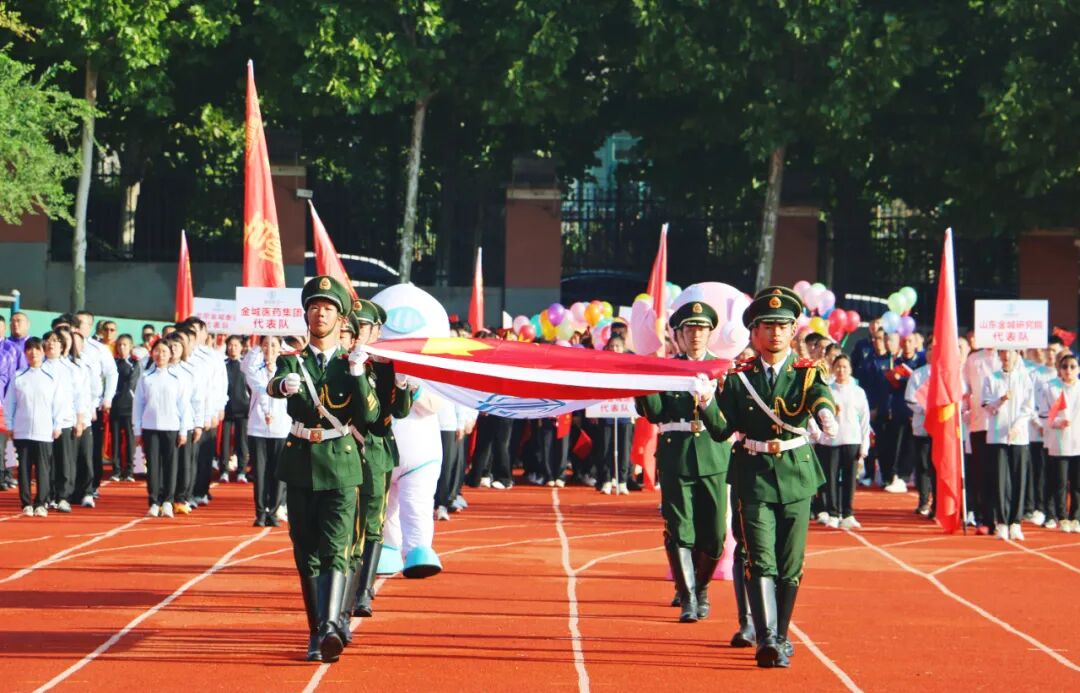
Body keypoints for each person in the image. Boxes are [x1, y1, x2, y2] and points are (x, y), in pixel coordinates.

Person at [703, 286, 836, 669]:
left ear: (793, 330)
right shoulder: (740, 378)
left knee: (790, 563)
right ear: (754, 332)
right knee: (760, 559)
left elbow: (820, 396)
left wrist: (825, 413)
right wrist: (706, 402)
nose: (775, 332)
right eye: (768, 326)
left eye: (782, 326)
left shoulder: (807, 373)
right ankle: (766, 639)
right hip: (754, 474)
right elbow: (721, 430)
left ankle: (780, 634)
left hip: (796, 473)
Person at [266, 275, 380, 664]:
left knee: (336, 549)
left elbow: (371, 416)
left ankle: (329, 628)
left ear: (341, 318)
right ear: (306, 315)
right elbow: (275, 383)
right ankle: (317, 629)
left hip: (341, 463)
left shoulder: (352, 364)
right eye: (314, 307)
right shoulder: (292, 360)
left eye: (328, 308)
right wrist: (283, 387)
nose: (320, 313)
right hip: (300, 462)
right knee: (306, 552)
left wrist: (360, 375)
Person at [634, 300, 730, 624]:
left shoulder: (723, 369)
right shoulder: (668, 367)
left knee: (714, 534)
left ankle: (700, 586)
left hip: (713, 455)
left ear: (710, 333)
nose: (696, 334)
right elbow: (655, 413)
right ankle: (689, 597)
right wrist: (645, 374)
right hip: (676, 454)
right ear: (679, 334)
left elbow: (730, 415)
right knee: (680, 529)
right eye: (690, 329)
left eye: (702, 329)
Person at [346, 299, 414, 626]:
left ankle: (363, 589)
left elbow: (399, 411)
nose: (358, 332)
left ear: (376, 331)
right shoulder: (339, 361)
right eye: (354, 326)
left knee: (373, 521)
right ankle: (345, 584)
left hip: (375, 449)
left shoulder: (387, 366)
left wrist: (402, 385)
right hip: (342, 448)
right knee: (345, 520)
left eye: (364, 327)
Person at [2, 338, 62, 516]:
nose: (33, 353)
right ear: (25, 353)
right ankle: (26, 503)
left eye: (37, 349)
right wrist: (10, 425)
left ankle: (41, 502)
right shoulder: (19, 376)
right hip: (22, 430)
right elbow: (10, 403)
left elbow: (58, 403)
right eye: (29, 349)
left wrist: (57, 424)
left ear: (43, 352)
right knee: (24, 469)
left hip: (44, 431)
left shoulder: (51, 376)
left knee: (43, 469)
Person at [133, 339, 191, 518]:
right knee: (153, 466)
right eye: (157, 351)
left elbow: (184, 405)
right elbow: (138, 404)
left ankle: (167, 501)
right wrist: (137, 430)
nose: (160, 355)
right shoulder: (146, 377)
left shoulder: (178, 377)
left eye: (164, 351)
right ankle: (154, 501)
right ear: (152, 353)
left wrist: (183, 430)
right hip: (150, 427)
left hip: (171, 426)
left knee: (170, 465)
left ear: (170, 354)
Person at [982, 349, 1034, 541]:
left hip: (1018, 437)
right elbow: (986, 407)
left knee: (1019, 478)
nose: (1006, 356)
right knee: (1000, 479)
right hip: (997, 436)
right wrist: (1001, 400)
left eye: (1010, 352)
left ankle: (1015, 522)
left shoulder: (1024, 378)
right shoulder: (991, 378)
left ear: (1016, 354)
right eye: (1003, 352)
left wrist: (1017, 427)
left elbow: (1028, 408)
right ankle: (1002, 522)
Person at [816, 354, 870, 528]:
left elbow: (864, 420)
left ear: (851, 369)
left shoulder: (858, 392)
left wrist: (864, 445)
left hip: (852, 440)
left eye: (845, 367)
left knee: (849, 479)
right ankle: (833, 513)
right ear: (833, 369)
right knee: (831, 478)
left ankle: (847, 513)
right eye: (838, 366)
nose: (841, 370)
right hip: (830, 441)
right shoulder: (827, 390)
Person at [242, 335, 291, 526]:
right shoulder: (254, 370)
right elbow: (259, 387)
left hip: (281, 428)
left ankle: (274, 510)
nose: (269, 349)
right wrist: (259, 342)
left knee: (278, 473)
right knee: (260, 473)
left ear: (280, 348)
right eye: (265, 345)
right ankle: (261, 513)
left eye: (273, 345)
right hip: (258, 428)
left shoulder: (287, 371)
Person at [1037, 352, 1080, 532]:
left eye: (1072, 367)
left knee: (1077, 483)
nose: (1068, 370)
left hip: (1078, 441)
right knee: (1060, 482)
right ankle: (1062, 517)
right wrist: (1057, 422)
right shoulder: (1051, 388)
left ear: (1078, 369)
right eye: (1064, 367)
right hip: (1059, 441)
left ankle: (1075, 517)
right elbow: (1043, 414)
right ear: (1059, 369)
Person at [42, 329, 80, 513]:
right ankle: (46, 495)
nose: (51, 344)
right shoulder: (39, 367)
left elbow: (79, 396)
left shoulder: (70, 369)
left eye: (56, 341)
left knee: (64, 460)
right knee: (46, 461)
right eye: (48, 340)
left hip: (65, 421)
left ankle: (63, 496)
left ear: (62, 346)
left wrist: (80, 419)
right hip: (42, 422)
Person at [906, 346, 935, 517]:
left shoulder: (945, 373)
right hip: (922, 426)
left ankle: (938, 504)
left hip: (940, 429)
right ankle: (924, 501)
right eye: (930, 350)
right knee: (923, 465)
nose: (932, 353)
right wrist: (925, 410)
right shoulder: (918, 374)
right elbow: (910, 399)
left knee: (937, 466)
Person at [109, 335, 141, 482]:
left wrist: (128, 396)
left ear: (131, 346)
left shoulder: (135, 363)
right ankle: (116, 470)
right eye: (119, 345)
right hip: (114, 406)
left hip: (129, 406)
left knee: (129, 439)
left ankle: (129, 470)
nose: (122, 348)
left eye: (125, 345)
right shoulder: (113, 363)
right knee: (115, 439)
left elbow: (133, 383)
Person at [221, 335, 251, 484]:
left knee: (242, 442)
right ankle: (224, 471)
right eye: (230, 345)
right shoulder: (222, 364)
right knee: (224, 442)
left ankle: (241, 471)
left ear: (241, 347)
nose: (232, 348)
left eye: (236, 345)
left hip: (243, 408)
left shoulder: (246, 364)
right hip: (225, 409)